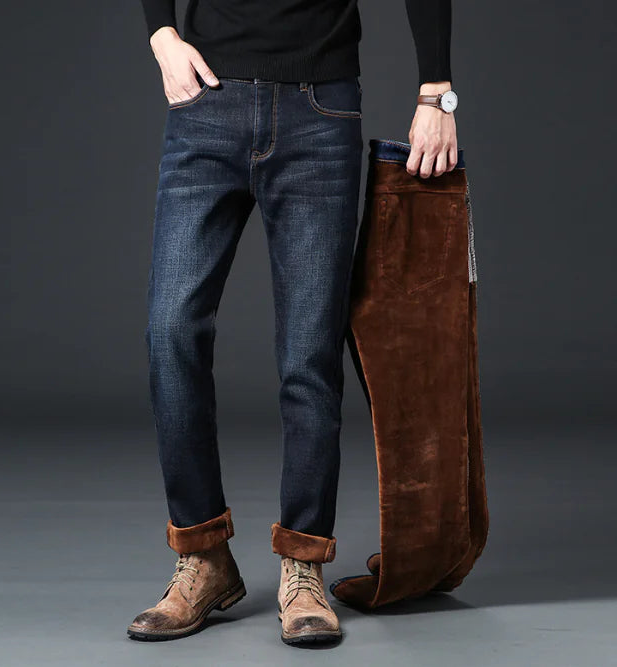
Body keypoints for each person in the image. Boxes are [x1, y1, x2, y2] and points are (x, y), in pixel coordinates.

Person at [127, 0, 458, 646]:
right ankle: (203, 557)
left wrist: (436, 89)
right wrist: (161, 34)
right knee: (171, 332)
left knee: (309, 353)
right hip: (208, 103)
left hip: (319, 109)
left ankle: (303, 564)